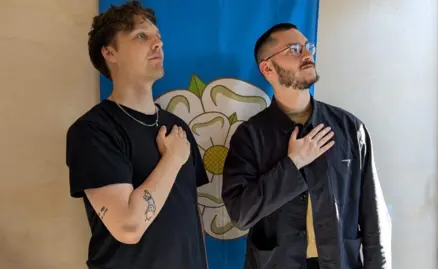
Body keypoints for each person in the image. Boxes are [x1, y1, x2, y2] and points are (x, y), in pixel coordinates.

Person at [222, 23, 392, 269]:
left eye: (307, 46)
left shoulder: (349, 129)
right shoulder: (250, 136)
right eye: (293, 49)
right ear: (268, 67)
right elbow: (240, 214)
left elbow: (374, 217)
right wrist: (293, 165)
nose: (306, 54)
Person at [65, 2, 208, 269]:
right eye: (141, 36)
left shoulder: (177, 127)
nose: (158, 44)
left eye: (159, 38)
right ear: (109, 52)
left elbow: (191, 217)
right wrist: (173, 158)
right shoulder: (92, 131)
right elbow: (128, 227)